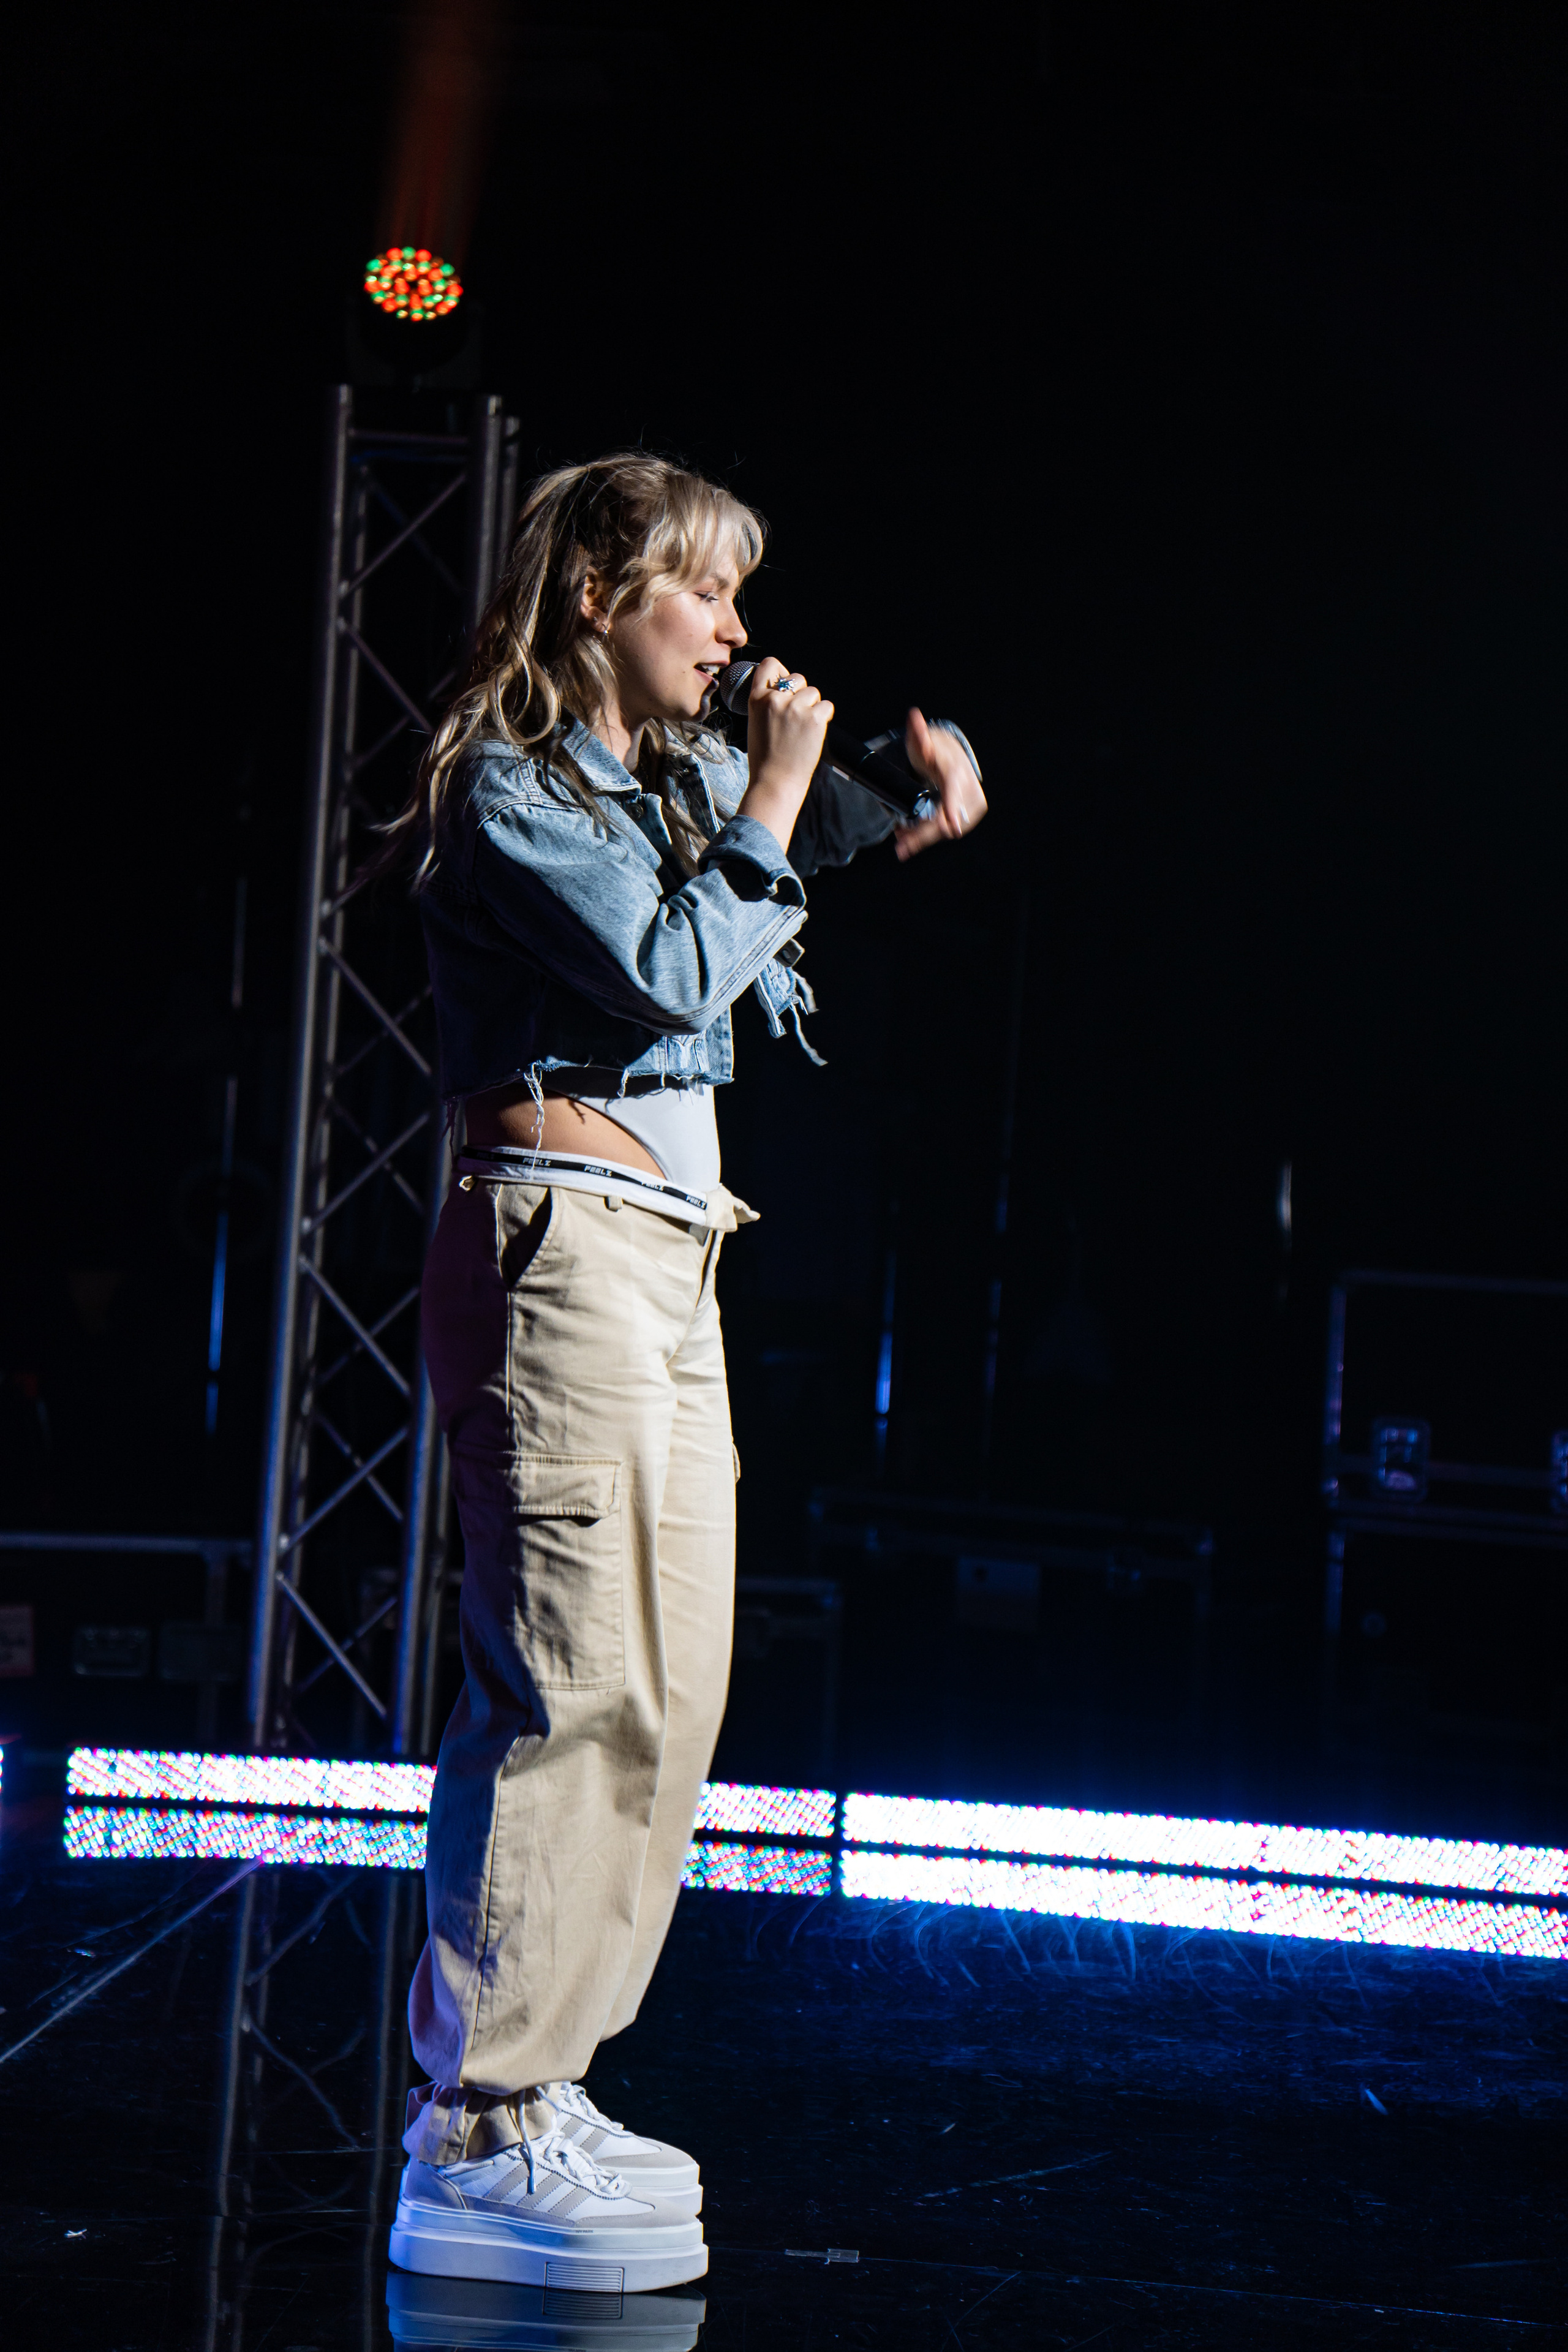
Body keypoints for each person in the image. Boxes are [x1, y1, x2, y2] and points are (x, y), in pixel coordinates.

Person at [386, 452, 986, 2290]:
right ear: (597, 599)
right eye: (701, 595)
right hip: (555, 1244)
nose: (736, 633)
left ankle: (549, 2081)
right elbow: (666, 965)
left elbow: (780, 852)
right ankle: (471, 2123)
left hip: (671, 1258)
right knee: (567, 1683)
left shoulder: (673, 789)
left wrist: (905, 806)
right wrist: (793, 791)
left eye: (739, 598)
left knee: (672, 1688)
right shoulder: (506, 793)